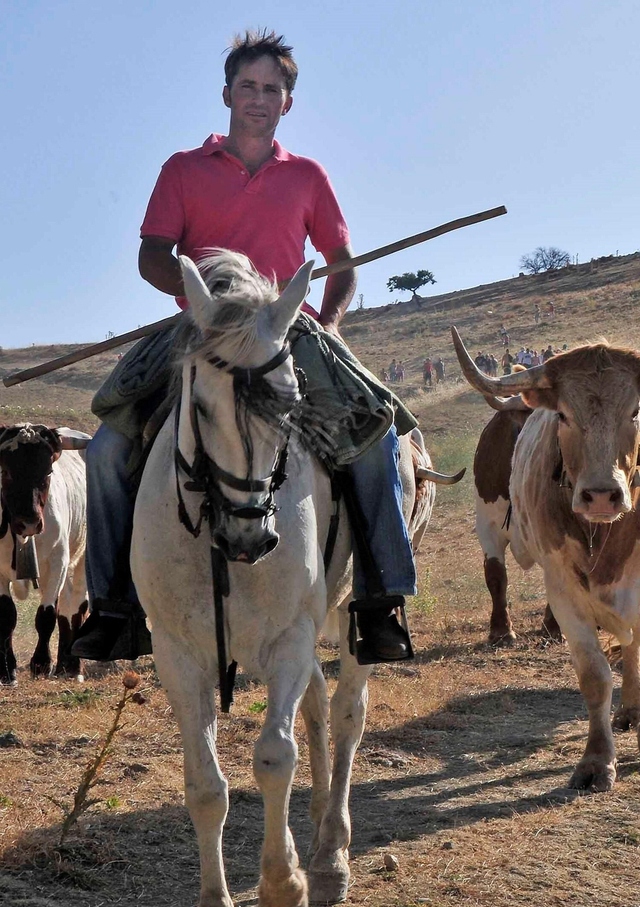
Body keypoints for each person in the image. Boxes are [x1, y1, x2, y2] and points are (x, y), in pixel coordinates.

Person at [76, 30, 420, 665]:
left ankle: (381, 602)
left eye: (272, 89)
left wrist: (332, 325)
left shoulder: (308, 176)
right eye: (247, 87)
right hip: (203, 330)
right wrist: (195, 290)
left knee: (377, 437)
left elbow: (341, 266)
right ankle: (116, 608)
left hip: (288, 332)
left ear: (287, 102)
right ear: (226, 93)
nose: (258, 99)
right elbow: (153, 253)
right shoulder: (182, 169)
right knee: (106, 450)